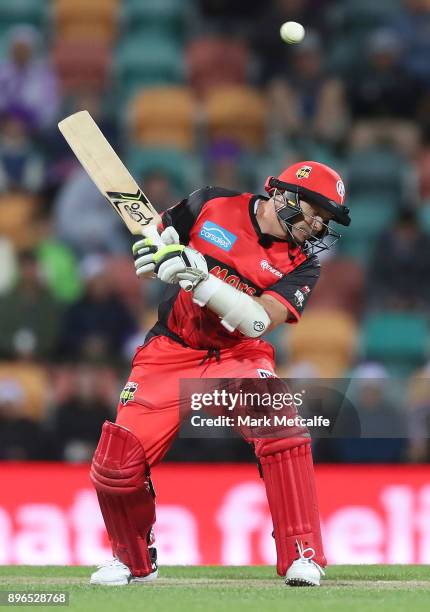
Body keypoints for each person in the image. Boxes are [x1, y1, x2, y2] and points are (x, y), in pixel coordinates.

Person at [89, 161, 351, 587]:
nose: (319, 226)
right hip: (172, 347)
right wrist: (156, 254)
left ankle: (303, 553)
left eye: (327, 220)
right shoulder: (212, 203)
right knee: (117, 465)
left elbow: (258, 322)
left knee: (281, 427)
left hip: (239, 353)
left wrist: (201, 279)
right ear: (284, 196)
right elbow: (156, 234)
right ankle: (133, 560)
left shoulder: (304, 265)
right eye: (315, 212)